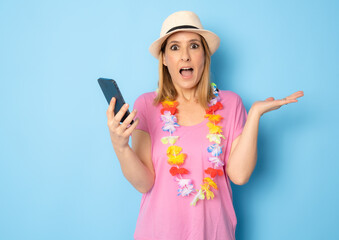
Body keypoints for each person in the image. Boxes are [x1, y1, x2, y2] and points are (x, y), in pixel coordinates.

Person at [106, 11, 304, 240]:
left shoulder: (231, 103)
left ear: (205, 54)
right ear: (163, 58)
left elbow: (239, 175)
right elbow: (144, 183)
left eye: (193, 46)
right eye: (174, 47)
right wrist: (120, 147)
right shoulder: (147, 105)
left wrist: (255, 115)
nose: (185, 56)